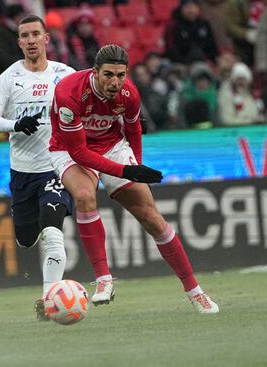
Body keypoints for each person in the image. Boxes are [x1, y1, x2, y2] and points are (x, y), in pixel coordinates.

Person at [49, 44, 219, 314]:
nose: (114, 82)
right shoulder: (68, 93)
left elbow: (133, 130)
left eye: (120, 75)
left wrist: (136, 166)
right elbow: (79, 152)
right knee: (84, 195)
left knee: (151, 217)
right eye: (108, 75)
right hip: (68, 149)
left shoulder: (129, 94)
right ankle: (104, 279)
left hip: (112, 146)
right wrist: (127, 172)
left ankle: (195, 292)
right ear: (94, 72)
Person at [0, 15, 76, 321]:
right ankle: (33, 240)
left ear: (46, 38)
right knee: (26, 239)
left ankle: (50, 298)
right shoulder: (10, 78)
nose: (32, 40)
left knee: (52, 228)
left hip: (58, 166)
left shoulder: (65, 74)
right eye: (25, 35)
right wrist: (15, 125)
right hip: (22, 172)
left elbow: (89, 109)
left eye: (37, 34)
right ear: (19, 42)